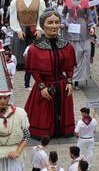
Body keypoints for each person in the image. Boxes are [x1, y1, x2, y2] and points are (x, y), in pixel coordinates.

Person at [25, 9, 76, 138]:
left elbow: (70, 67)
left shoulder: (67, 46)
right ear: (43, 25)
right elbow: (34, 71)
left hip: (62, 85)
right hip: (45, 86)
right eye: (50, 22)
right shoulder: (34, 49)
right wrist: (42, 87)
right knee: (44, 113)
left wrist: (69, 82)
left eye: (56, 22)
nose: (54, 26)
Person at [8, 0, 46, 69]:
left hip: (34, 30)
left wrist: (39, 29)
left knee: (36, 57)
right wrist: (18, 30)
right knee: (19, 59)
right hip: (21, 29)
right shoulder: (14, 2)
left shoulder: (40, 2)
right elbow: (13, 19)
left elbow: (41, 18)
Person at [62, 0, 94, 88]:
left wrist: (91, 26)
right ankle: (71, 77)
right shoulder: (67, 1)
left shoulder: (85, 2)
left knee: (80, 53)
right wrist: (64, 22)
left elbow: (89, 17)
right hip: (70, 27)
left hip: (82, 28)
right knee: (72, 53)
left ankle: (79, 78)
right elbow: (63, 14)